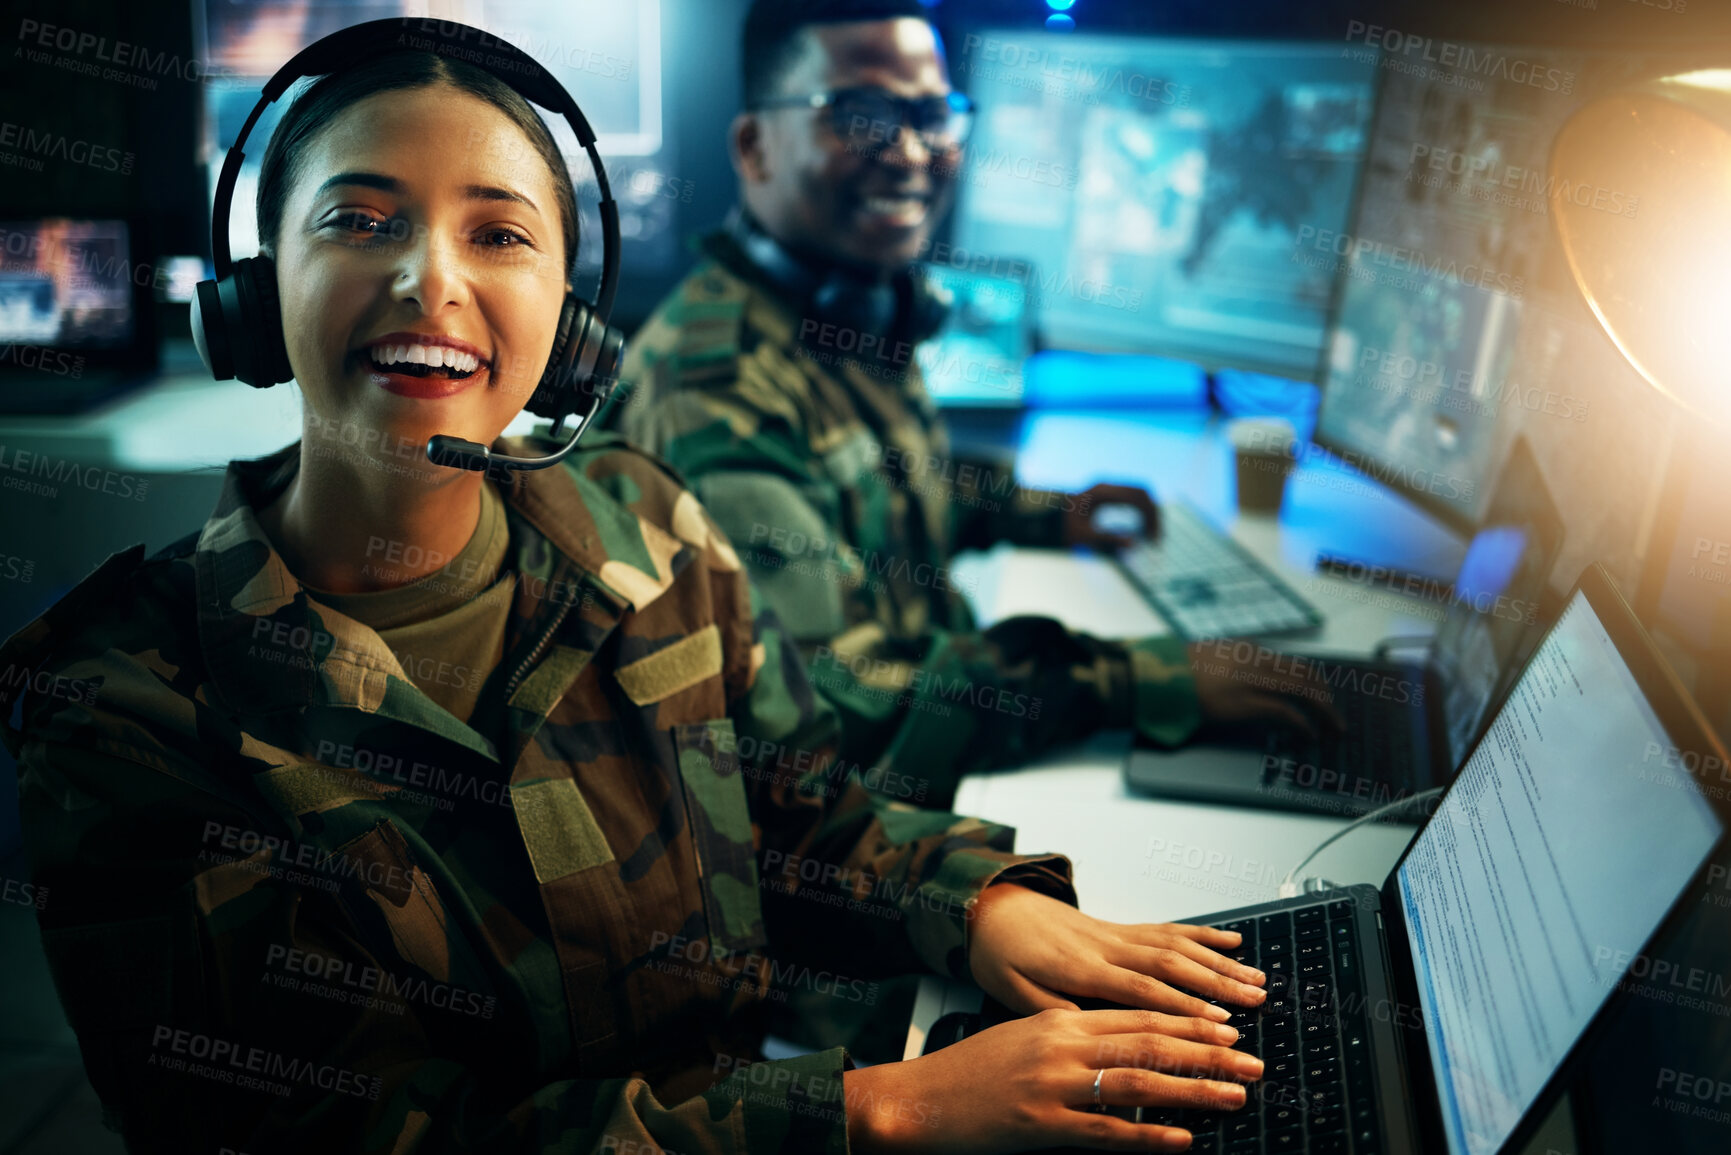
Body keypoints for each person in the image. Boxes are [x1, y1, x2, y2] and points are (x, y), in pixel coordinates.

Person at [0, 34, 1270, 1155]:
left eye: (498, 233)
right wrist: (878, 1111)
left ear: (571, 324)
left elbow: (796, 813)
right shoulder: (124, 712)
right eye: (361, 219)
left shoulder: (646, 529)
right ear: (253, 296)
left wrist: (972, 907)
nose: (429, 280)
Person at [616, 0, 1334, 817]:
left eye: (932, 114)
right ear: (754, 147)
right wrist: (1136, 679)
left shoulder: (853, 310)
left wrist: (1042, 512)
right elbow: (839, 709)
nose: (913, 151)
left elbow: (876, 483)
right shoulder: (714, 393)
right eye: (860, 115)